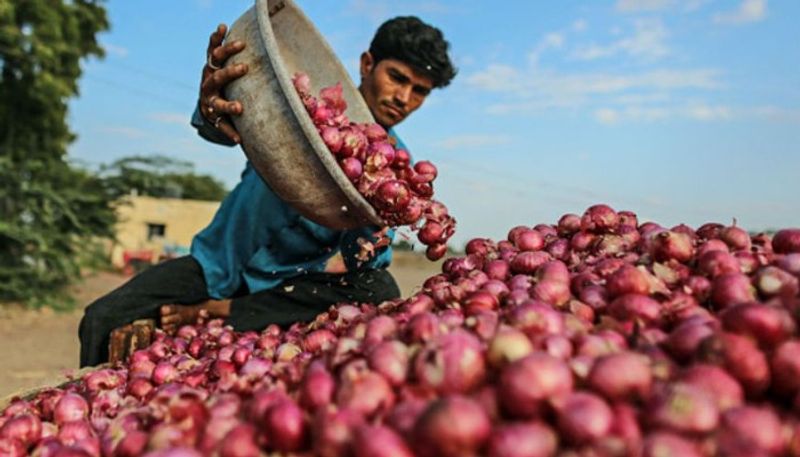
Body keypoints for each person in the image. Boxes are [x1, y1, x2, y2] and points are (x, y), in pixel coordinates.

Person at [78, 15, 457, 367]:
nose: (403, 98)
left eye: (419, 91)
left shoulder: (397, 169)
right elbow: (231, 122)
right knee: (102, 317)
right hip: (218, 265)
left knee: (380, 287)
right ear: (366, 64)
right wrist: (212, 107)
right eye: (397, 78)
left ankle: (221, 311)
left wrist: (375, 220)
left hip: (288, 286)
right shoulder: (304, 108)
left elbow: (365, 263)